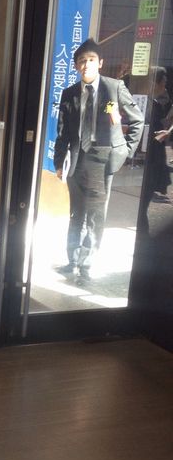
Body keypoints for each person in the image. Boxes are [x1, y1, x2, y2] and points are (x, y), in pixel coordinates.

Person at [54, 38, 143, 283]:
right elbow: (62, 131)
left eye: (91, 60)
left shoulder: (114, 88)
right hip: (77, 157)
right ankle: (72, 260)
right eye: (81, 61)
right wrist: (59, 162)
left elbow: (137, 120)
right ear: (76, 66)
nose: (86, 65)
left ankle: (86, 265)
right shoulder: (69, 93)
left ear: (100, 63)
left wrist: (126, 151)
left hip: (102, 158)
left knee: (95, 215)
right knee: (76, 213)